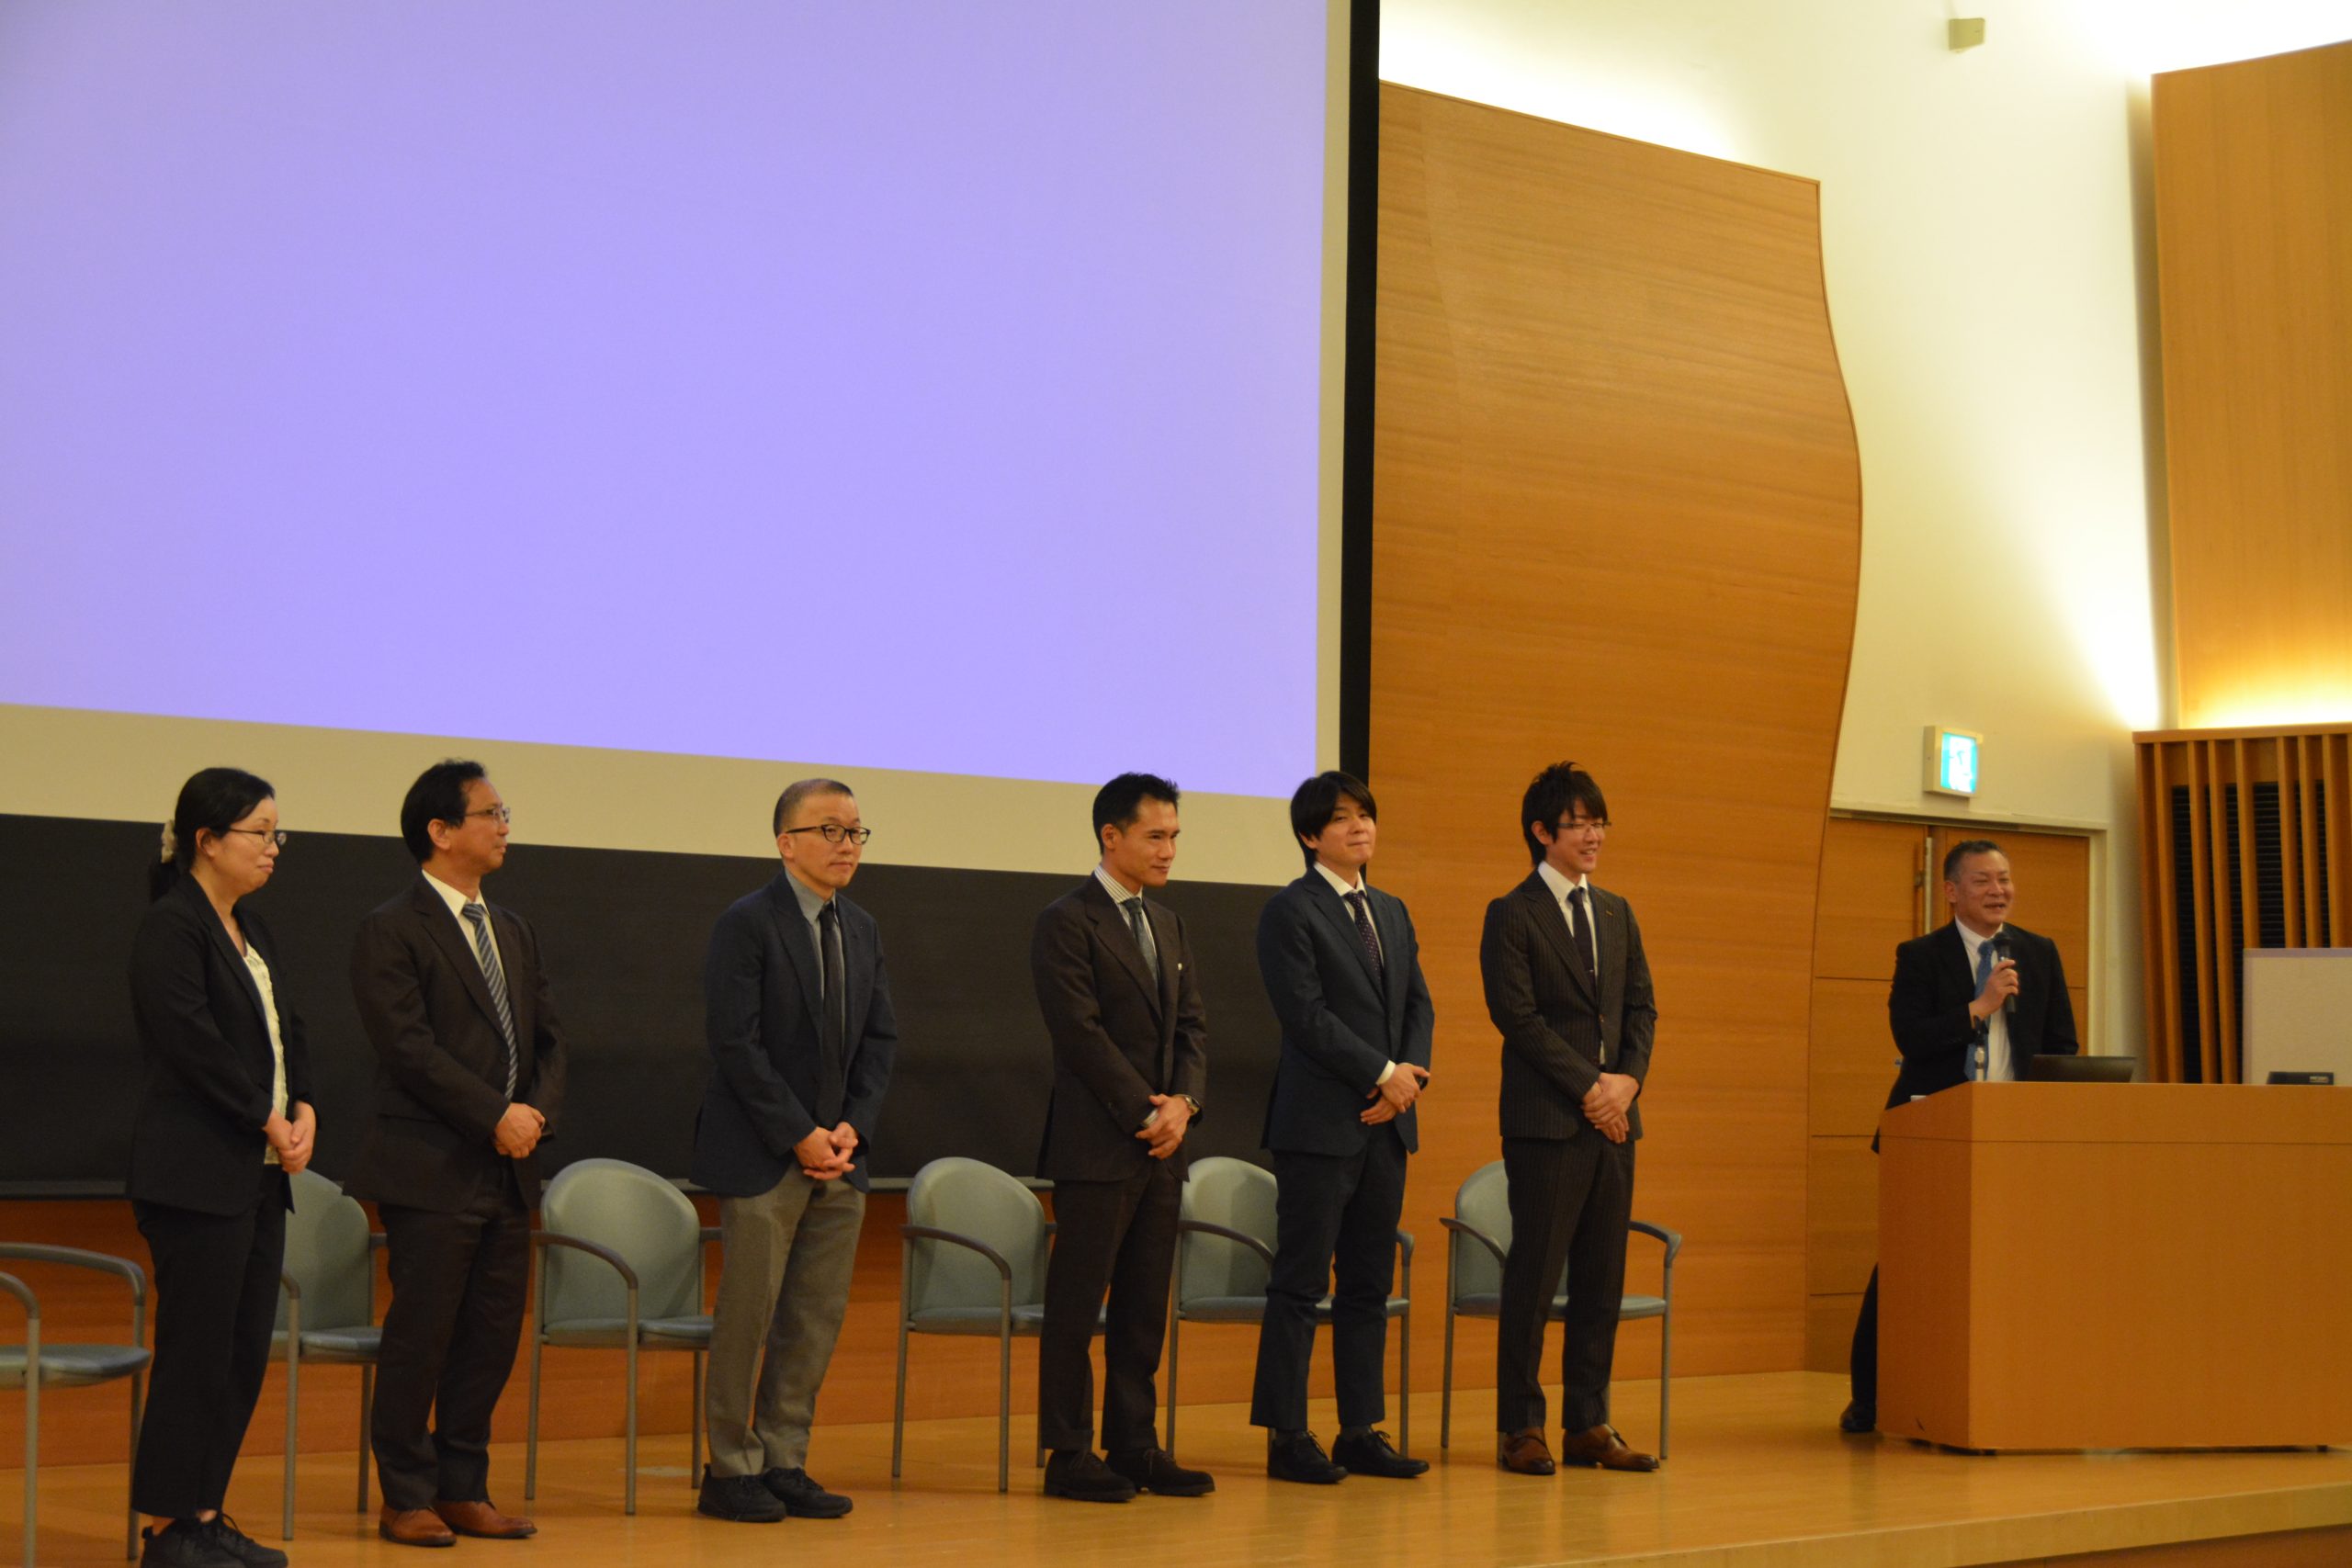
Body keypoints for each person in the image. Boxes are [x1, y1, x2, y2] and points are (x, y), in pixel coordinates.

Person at [348, 761, 568, 1548]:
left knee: (490, 1335)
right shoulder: (391, 927)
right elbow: (408, 1049)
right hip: (430, 1165)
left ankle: (462, 1485)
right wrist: (492, 1115)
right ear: (440, 830)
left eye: (505, 812)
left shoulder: (513, 927)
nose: (505, 825)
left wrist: (534, 1114)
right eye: (490, 812)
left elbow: (549, 1039)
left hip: (510, 1167)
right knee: (423, 1334)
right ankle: (405, 1493)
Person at [692, 779, 898, 1523]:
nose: (847, 845)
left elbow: (880, 1039)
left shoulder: (862, 927)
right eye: (830, 830)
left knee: (812, 1319)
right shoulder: (748, 922)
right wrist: (799, 1132)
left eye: (856, 831)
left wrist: (851, 1129)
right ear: (786, 842)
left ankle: (783, 1458)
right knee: (749, 1316)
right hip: (763, 1156)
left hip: (840, 1159)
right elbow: (736, 1043)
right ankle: (729, 1467)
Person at [126, 769, 311, 1568]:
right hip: (195, 1177)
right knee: (195, 1353)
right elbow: (193, 1045)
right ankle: (166, 1528)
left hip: (259, 1174)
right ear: (207, 840)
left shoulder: (252, 927)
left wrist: (305, 1109)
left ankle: (204, 1514)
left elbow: (288, 1032)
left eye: (277, 832)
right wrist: (267, 1117)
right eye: (259, 832)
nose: (273, 847)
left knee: (238, 1355)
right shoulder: (172, 927)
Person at [1840, 837, 2079, 1433]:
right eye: (1983, 881)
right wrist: (1980, 1005)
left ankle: (2010, 1388)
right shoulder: (1921, 955)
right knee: (1906, 1263)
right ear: (1950, 891)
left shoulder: (2039, 952)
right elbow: (1911, 1037)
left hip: (2013, 1139)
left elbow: (2062, 1045)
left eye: (2005, 879)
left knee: (2013, 1264)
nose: (1999, 890)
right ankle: (1870, 1396)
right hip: (1932, 1138)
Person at [1031, 773, 1212, 1503]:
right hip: (1098, 1145)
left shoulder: (1168, 922)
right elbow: (1080, 1034)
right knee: (1077, 1307)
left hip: (1163, 1148)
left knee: (1142, 1308)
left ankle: (1135, 1443)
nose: (1169, 850)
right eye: (1155, 836)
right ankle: (1069, 1451)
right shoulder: (1067, 920)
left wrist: (1185, 1105)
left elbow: (1192, 1027)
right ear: (1112, 836)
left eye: (1175, 836)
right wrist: (1147, 1111)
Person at [1249, 771, 1433, 1483]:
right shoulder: (1289, 911)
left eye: (1367, 814)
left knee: (1366, 1284)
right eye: (1343, 817)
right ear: (1309, 834)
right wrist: (1380, 1072)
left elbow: (1418, 1005)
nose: (1361, 827)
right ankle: (1287, 1435)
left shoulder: (1390, 909)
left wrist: (1405, 1079)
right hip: (1319, 1125)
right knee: (1299, 1283)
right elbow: (1306, 1015)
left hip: (1387, 1125)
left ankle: (1360, 1429)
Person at [1478, 760, 1660, 1475]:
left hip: (1615, 1122)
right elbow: (1518, 1018)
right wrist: (1593, 1088)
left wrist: (1628, 1083)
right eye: (1579, 823)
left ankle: (1588, 1422)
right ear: (1541, 831)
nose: (1593, 835)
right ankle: (1520, 1425)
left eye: (1599, 822)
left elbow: (1640, 1008)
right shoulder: (1512, 911)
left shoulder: (1617, 910)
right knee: (1534, 1276)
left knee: (1600, 1277)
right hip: (1549, 1121)